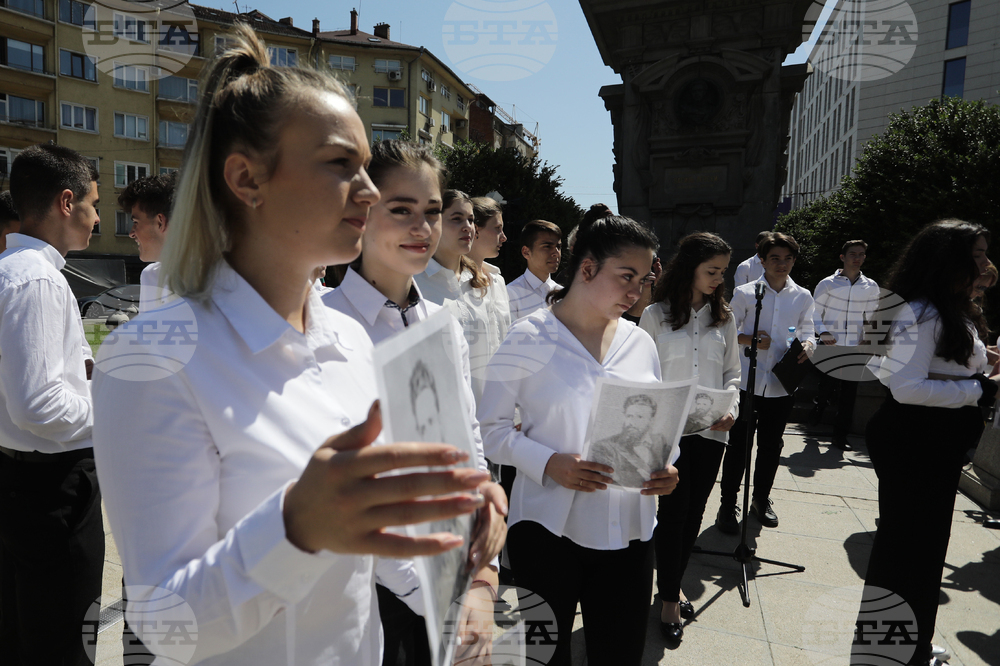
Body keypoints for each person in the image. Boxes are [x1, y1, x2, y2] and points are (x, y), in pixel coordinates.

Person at [91, 26, 501, 665]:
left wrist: (467, 546)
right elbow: (165, 624)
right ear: (246, 179)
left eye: (367, 167)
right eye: (342, 165)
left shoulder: (351, 340)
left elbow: (374, 547)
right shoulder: (153, 360)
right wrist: (294, 529)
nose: (368, 192)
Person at [321, 139, 503, 666]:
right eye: (401, 210)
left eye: (431, 212)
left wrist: (482, 567)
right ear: (360, 212)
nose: (422, 228)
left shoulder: (443, 324)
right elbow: (343, 491)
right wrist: (440, 597)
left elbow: (468, 440)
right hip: (370, 588)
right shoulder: (324, 328)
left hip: (451, 574)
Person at [479, 214, 680, 666]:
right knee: (545, 654)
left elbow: (657, 423)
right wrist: (548, 461)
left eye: (643, 279)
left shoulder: (639, 342)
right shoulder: (528, 337)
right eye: (625, 276)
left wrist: (668, 466)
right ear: (587, 268)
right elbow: (488, 429)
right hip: (548, 531)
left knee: (620, 651)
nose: (636, 292)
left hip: (628, 528)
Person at [857, 220, 995, 666]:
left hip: (927, 443)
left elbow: (889, 369)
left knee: (918, 553)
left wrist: (975, 367)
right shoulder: (923, 312)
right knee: (908, 557)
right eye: (975, 254)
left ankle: (905, 647)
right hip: (918, 442)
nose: (984, 264)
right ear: (947, 260)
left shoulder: (932, 308)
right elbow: (905, 387)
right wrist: (979, 389)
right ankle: (892, 652)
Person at [0, 143, 103, 666]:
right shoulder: (37, 279)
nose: (98, 218)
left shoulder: (11, 269)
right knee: (63, 642)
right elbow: (39, 407)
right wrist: (112, 409)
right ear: (67, 202)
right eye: (93, 204)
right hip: (53, 489)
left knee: (24, 636)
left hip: (21, 483)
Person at [638, 231, 740, 645]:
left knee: (695, 511)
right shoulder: (655, 315)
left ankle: (673, 582)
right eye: (711, 271)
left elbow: (733, 372)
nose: (718, 279)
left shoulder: (725, 317)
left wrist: (730, 407)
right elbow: (643, 376)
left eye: (723, 272)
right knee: (673, 515)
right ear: (690, 268)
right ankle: (667, 599)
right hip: (668, 433)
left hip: (711, 433)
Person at [716, 232, 814, 533]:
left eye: (788, 258)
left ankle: (760, 499)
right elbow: (727, 332)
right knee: (739, 446)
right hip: (747, 380)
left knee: (772, 446)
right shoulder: (747, 293)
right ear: (762, 260)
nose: (781, 264)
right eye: (775, 258)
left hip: (781, 384)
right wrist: (750, 339)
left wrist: (809, 345)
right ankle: (727, 504)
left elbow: (809, 328)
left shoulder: (803, 296)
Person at [414, 191, 497, 404]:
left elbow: (493, 353)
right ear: (434, 224)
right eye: (457, 219)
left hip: (484, 419)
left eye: (470, 220)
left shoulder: (480, 283)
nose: (468, 226)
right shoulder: (413, 284)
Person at [809, 240, 881, 450]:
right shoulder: (827, 283)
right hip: (831, 344)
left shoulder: (870, 286)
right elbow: (813, 313)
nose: (857, 258)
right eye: (852, 254)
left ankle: (840, 436)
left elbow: (873, 315)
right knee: (827, 386)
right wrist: (823, 331)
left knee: (849, 393)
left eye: (861, 254)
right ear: (843, 257)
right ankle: (819, 407)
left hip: (855, 346)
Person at [119, 172, 177, 311]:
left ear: (160, 222)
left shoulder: (215, 278)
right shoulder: (150, 276)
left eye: (136, 222)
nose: (131, 233)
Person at [588, 393, 665, 489]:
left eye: (639, 417)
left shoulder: (660, 441)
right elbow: (613, 481)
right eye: (629, 416)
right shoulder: (605, 446)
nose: (631, 422)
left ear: (651, 421)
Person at [506, 218, 562, 321]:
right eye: (547, 246)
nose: (556, 252)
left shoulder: (563, 295)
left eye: (558, 246)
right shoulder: (511, 294)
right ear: (526, 252)